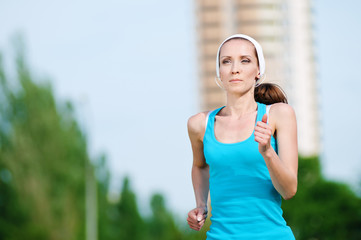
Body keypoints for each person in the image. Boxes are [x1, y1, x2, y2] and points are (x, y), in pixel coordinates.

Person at [186, 34, 298, 239]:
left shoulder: (277, 114)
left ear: (258, 70)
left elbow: (289, 190)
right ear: (219, 72)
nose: (234, 69)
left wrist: (267, 152)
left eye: (244, 60)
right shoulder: (199, 124)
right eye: (226, 61)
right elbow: (200, 165)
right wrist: (201, 204)